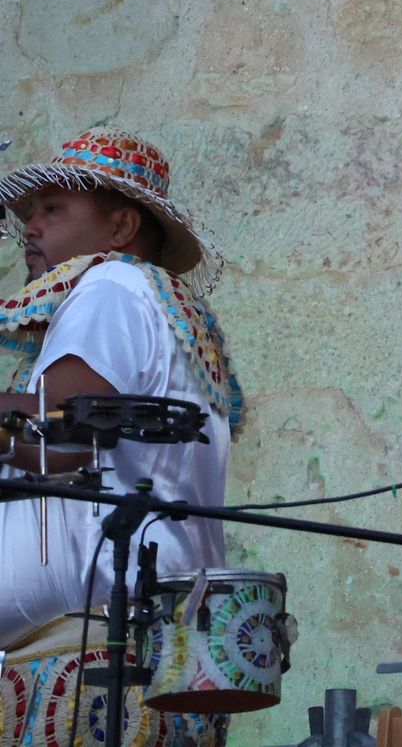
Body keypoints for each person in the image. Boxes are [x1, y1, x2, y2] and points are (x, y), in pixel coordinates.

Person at [0, 127, 241, 746]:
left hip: (92, 661)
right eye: (30, 211)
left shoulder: (111, 285)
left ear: (120, 227)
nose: (32, 225)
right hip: (135, 644)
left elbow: (62, 437)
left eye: (52, 208)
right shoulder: (158, 305)